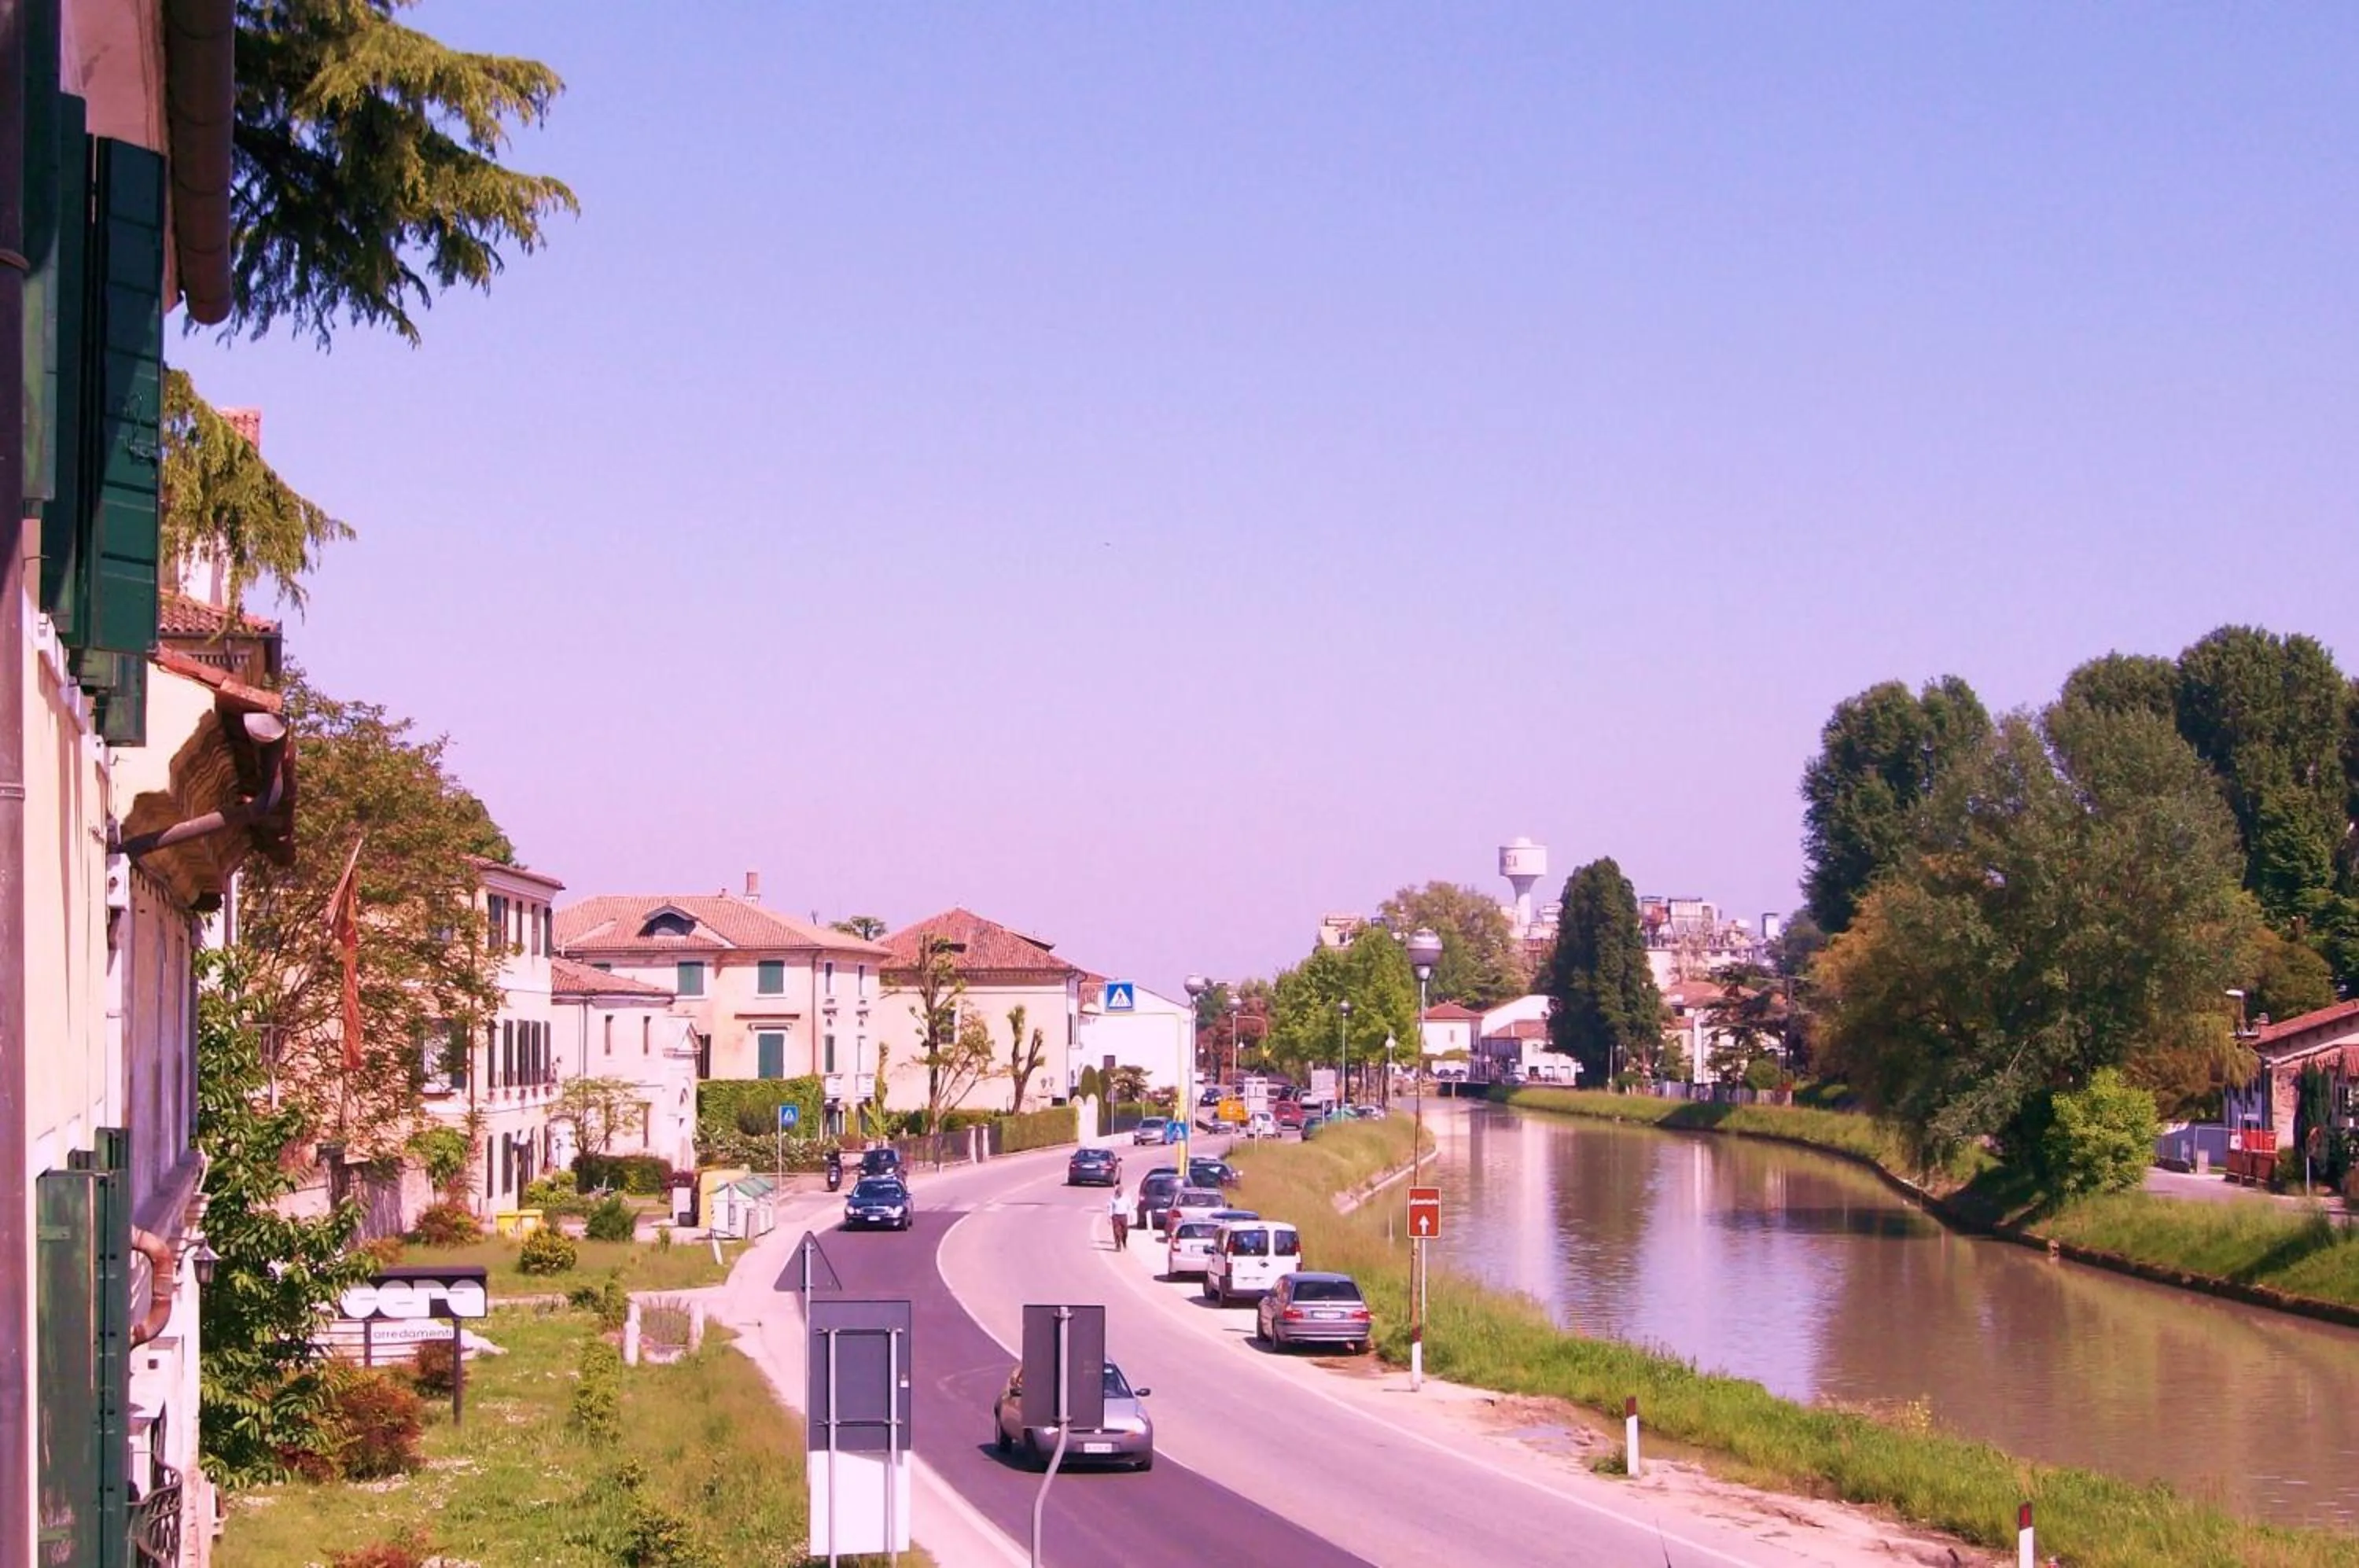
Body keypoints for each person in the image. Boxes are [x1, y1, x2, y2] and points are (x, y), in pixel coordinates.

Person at [1108, 1186, 1129, 1250]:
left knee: (1125, 1232)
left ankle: (1124, 1242)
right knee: (1117, 1232)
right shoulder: (1112, 1199)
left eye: (1121, 1192)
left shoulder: (1126, 1198)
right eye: (1118, 1192)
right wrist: (1109, 1217)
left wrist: (1131, 1215)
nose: (1120, 1194)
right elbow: (1110, 1208)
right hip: (1116, 1217)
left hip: (1124, 1216)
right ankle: (1118, 1245)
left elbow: (1129, 1206)